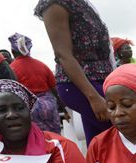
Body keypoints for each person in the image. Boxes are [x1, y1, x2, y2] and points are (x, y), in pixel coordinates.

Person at [34, 0, 114, 145]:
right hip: (82, 85)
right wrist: (93, 97)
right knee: (121, 133)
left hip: (101, 81)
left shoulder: (81, 4)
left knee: (100, 143)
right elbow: (63, 54)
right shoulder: (55, 3)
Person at [8, 32, 65, 134]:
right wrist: (64, 109)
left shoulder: (12, 69)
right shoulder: (42, 65)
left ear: (12, 51)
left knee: (37, 138)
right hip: (49, 106)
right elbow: (55, 89)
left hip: (30, 108)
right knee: (55, 136)